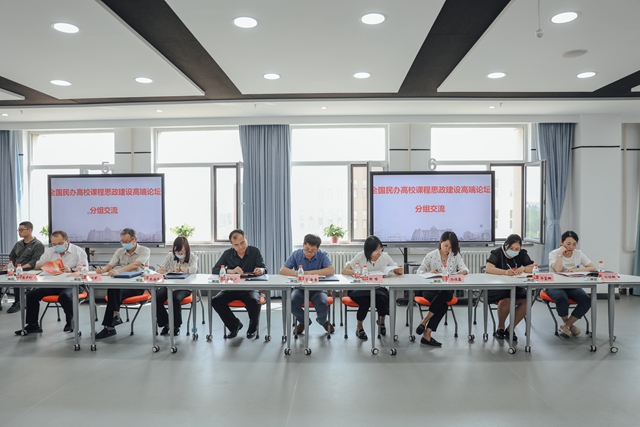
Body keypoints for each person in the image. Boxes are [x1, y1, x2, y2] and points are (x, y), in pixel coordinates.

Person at [14, 230, 88, 335]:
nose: (57, 246)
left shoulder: (78, 251)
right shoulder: (49, 251)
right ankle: (33, 325)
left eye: (60, 243)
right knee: (31, 295)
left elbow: (84, 270)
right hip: (53, 284)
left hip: (73, 285)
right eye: (54, 244)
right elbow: (37, 265)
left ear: (67, 241)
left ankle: (71, 321)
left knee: (65, 296)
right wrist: (46, 263)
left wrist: (71, 270)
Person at [342, 235, 402, 340]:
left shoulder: (385, 256)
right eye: (376, 250)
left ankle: (382, 323)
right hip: (360, 289)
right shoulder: (361, 256)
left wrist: (399, 270)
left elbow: (396, 269)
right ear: (369, 250)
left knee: (382, 300)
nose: (379, 252)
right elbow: (344, 271)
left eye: (380, 248)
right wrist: (358, 272)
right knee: (364, 303)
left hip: (378, 288)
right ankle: (359, 327)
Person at [414, 231, 469, 346]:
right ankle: (427, 334)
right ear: (440, 242)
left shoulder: (455, 255)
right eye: (446, 245)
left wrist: (462, 271)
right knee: (443, 305)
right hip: (430, 290)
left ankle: (424, 321)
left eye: (451, 247)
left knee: (445, 293)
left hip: (446, 289)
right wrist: (429, 272)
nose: (448, 249)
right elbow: (419, 271)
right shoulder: (431, 255)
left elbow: (465, 268)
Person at [94, 228, 150, 339]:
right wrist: (102, 270)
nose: (124, 243)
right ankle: (116, 316)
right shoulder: (119, 252)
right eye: (122, 241)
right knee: (113, 289)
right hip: (121, 284)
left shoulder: (145, 250)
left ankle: (110, 327)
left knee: (113, 293)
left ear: (135, 239)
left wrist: (118, 271)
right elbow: (110, 265)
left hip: (137, 285)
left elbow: (136, 265)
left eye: (127, 241)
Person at [211, 230, 267, 339]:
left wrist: (260, 270)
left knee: (254, 301)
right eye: (236, 245)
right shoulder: (227, 254)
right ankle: (234, 325)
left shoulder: (255, 251)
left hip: (250, 289)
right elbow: (215, 270)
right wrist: (230, 271)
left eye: (242, 242)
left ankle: (252, 329)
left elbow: (263, 268)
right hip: (231, 288)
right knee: (216, 301)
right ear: (232, 244)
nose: (240, 247)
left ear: (246, 238)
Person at [280, 234, 335, 335]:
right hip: (300, 289)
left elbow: (331, 270)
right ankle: (304, 321)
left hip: (318, 289)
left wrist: (310, 273)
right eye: (307, 249)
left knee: (323, 303)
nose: (309, 253)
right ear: (303, 245)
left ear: (317, 248)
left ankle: (322, 321)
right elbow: (283, 270)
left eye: (313, 251)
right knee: (291, 303)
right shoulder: (296, 254)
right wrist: (297, 273)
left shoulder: (322, 255)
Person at [485, 233, 534, 342]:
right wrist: (505, 272)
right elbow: (488, 268)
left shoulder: (522, 254)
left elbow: (532, 267)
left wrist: (523, 268)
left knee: (527, 300)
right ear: (506, 245)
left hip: (516, 287)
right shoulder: (497, 253)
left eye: (517, 249)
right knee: (507, 299)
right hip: (498, 288)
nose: (514, 251)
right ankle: (500, 327)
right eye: (512, 248)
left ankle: (510, 329)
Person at [548, 231, 594, 337]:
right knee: (562, 298)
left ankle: (566, 325)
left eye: (574, 244)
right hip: (554, 285)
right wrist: (560, 254)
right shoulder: (553, 253)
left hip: (572, 285)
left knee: (586, 300)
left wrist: (576, 270)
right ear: (561, 242)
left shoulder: (578, 253)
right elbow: (557, 269)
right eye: (568, 244)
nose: (571, 247)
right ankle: (569, 325)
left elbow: (592, 267)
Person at [156, 236, 198, 336]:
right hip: (169, 285)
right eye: (177, 252)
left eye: (181, 252)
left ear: (186, 249)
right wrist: (161, 270)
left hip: (185, 287)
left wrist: (180, 268)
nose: (179, 254)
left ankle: (175, 326)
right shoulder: (170, 256)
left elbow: (193, 270)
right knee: (157, 297)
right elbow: (161, 269)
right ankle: (166, 323)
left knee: (175, 298)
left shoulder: (193, 257)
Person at [3, 221, 45, 313]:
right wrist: (10, 265)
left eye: (22, 230)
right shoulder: (18, 244)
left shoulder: (38, 245)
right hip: (15, 269)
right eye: (18, 230)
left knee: (18, 277)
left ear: (29, 230)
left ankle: (18, 302)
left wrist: (19, 268)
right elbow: (12, 256)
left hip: (30, 270)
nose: (19, 232)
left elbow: (35, 261)